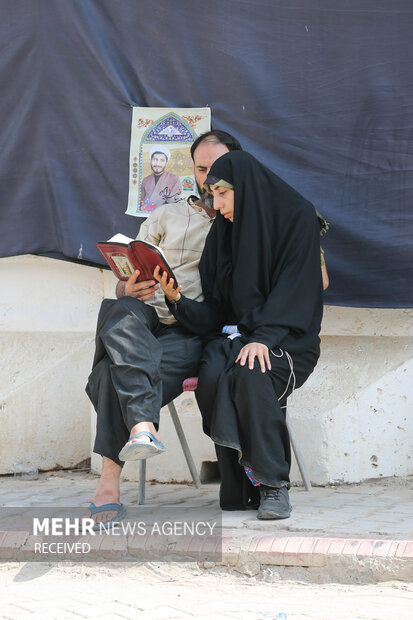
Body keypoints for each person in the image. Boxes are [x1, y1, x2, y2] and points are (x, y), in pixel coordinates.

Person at [85, 131, 242, 528]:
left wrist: (178, 300)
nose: (209, 180)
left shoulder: (237, 223)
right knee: (120, 307)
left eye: (217, 170)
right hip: (143, 317)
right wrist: (128, 285)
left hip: (190, 330)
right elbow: (127, 272)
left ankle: (110, 478)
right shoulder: (165, 215)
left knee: (109, 370)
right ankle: (141, 425)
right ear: (192, 170)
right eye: (201, 169)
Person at [155, 150, 323, 520]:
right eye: (211, 195)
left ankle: (274, 485)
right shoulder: (223, 235)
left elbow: (298, 290)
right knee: (213, 374)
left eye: (223, 194)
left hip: (288, 338)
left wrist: (264, 337)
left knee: (253, 373)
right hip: (237, 338)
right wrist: (177, 300)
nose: (216, 205)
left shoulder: (296, 218)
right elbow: (218, 310)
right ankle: (241, 485)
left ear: (244, 188)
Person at [140, 145, 182, 211]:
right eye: (155, 159)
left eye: (162, 160)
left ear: (166, 163)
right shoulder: (145, 180)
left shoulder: (174, 179)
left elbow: (174, 204)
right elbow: (141, 201)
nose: (158, 164)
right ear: (150, 161)